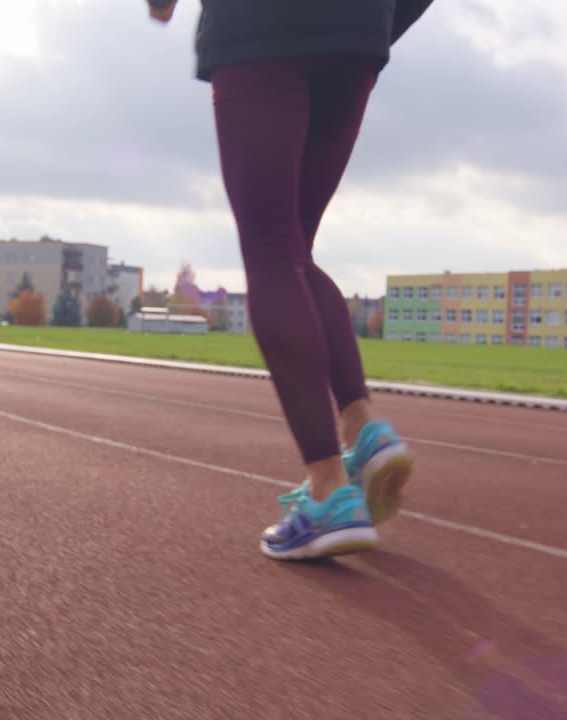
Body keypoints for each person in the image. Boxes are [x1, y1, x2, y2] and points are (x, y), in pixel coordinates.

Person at [146, 0, 433, 560]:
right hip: (355, 38)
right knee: (293, 245)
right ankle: (362, 428)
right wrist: (371, 26)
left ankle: (328, 489)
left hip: (260, 26)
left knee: (272, 247)